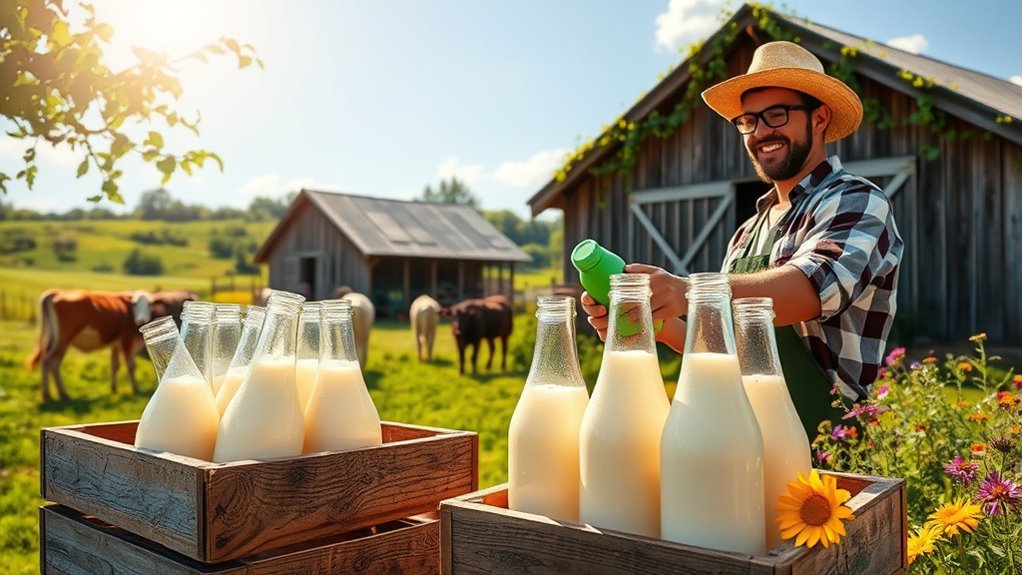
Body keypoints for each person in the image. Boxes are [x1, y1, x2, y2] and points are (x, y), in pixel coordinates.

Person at [581, 41, 903, 435]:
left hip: (828, 446)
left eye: (776, 115)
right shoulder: (747, 233)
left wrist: (688, 291)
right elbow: (720, 343)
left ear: (819, 118)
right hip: (742, 437)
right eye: (749, 120)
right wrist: (652, 324)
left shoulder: (857, 200)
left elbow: (811, 289)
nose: (761, 131)